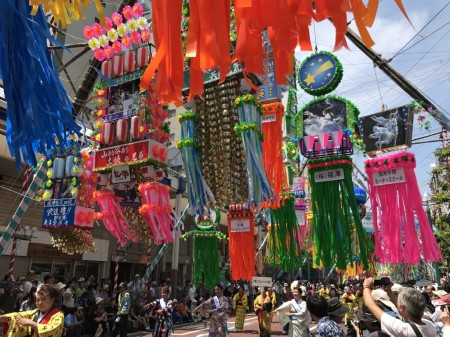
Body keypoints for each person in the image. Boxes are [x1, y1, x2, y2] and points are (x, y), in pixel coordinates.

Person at [362, 277, 436, 337]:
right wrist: (389, 291)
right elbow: (400, 306)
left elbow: (370, 304)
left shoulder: (401, 329)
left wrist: (366, 286)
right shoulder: (430, 325)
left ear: (402, 308)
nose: (398, 303)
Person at [0, 283, 64, 337]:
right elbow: (18, 315)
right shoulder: (36, 312)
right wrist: (2, 317)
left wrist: (31, 323)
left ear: (52, 299)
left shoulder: (58, 315)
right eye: (37, 300)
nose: (40, 303)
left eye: (44, 299)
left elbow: (52, 330)